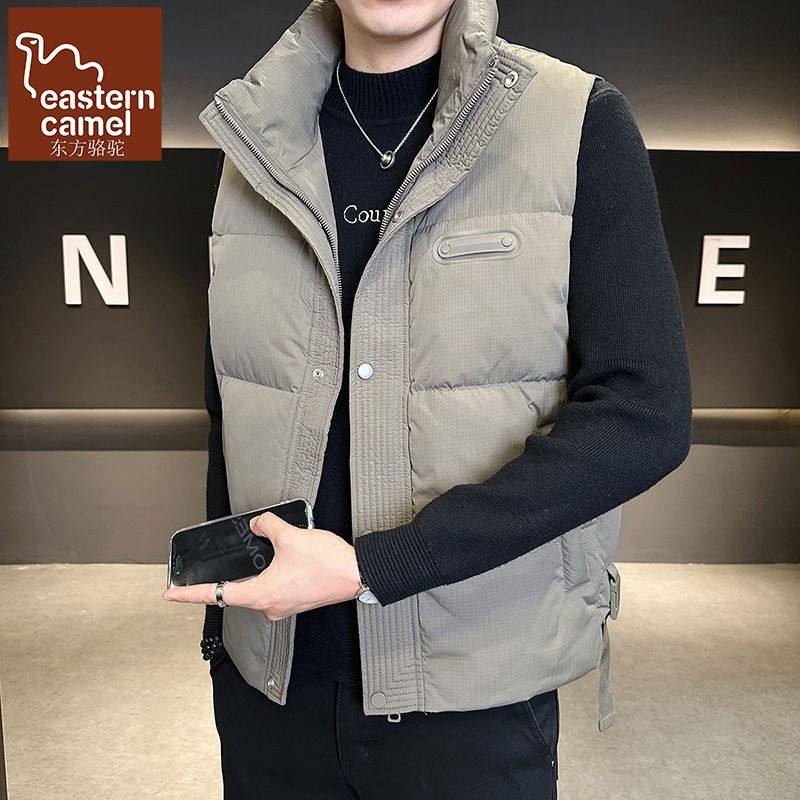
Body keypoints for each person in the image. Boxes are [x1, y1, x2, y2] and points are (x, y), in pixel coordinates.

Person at [163, 0, 692, 797]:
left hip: (471, 701)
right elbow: (231, 403)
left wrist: (375, 565)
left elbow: (645, 413)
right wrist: (222, 632)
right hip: (271, 691)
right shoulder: (253, 139)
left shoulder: (576, 121)